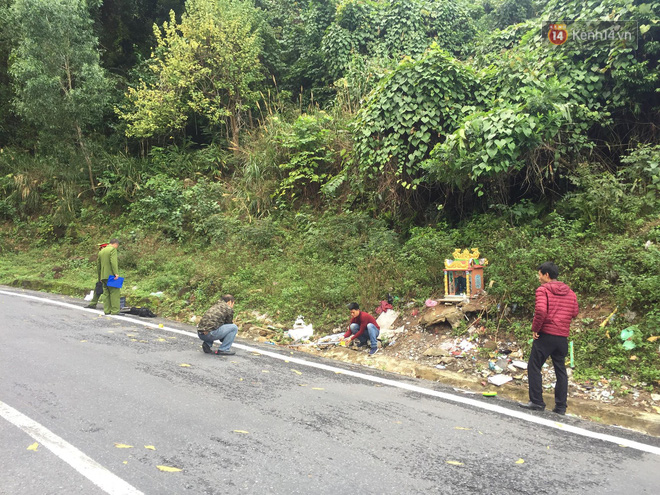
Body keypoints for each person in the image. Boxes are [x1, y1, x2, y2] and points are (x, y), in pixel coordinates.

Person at [520, 262, 579, 415]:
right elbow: (574, 312)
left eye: (539, 274)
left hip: (546, 335)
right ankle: (560, 407)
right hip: (562, 338)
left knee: (534, 366)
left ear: (546, 275)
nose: (538, 278)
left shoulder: (543, 290)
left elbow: (540, 310)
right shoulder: (570, 292)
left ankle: (537, 402)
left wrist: (535, 329)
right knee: (560, 370)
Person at [97, 239, 122, 315]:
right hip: (111, 275)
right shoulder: (112, 250)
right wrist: (116, 273)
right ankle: (115, 311)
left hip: (103, 276)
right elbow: (113, 262)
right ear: (115, 244)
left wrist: (99, 277)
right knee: (115, 292)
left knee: (106, 293)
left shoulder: (101, 251)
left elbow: (98, 266)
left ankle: (107, 310)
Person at [86, 242, 108, 309]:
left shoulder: (107, 256)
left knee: (108, 291)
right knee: (98, 288)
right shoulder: (102, 255)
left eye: (102, 248)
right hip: (102, 275)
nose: (100, 250)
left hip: (106, 276)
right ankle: (93, 303)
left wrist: (102, 276)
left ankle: (110, 306)